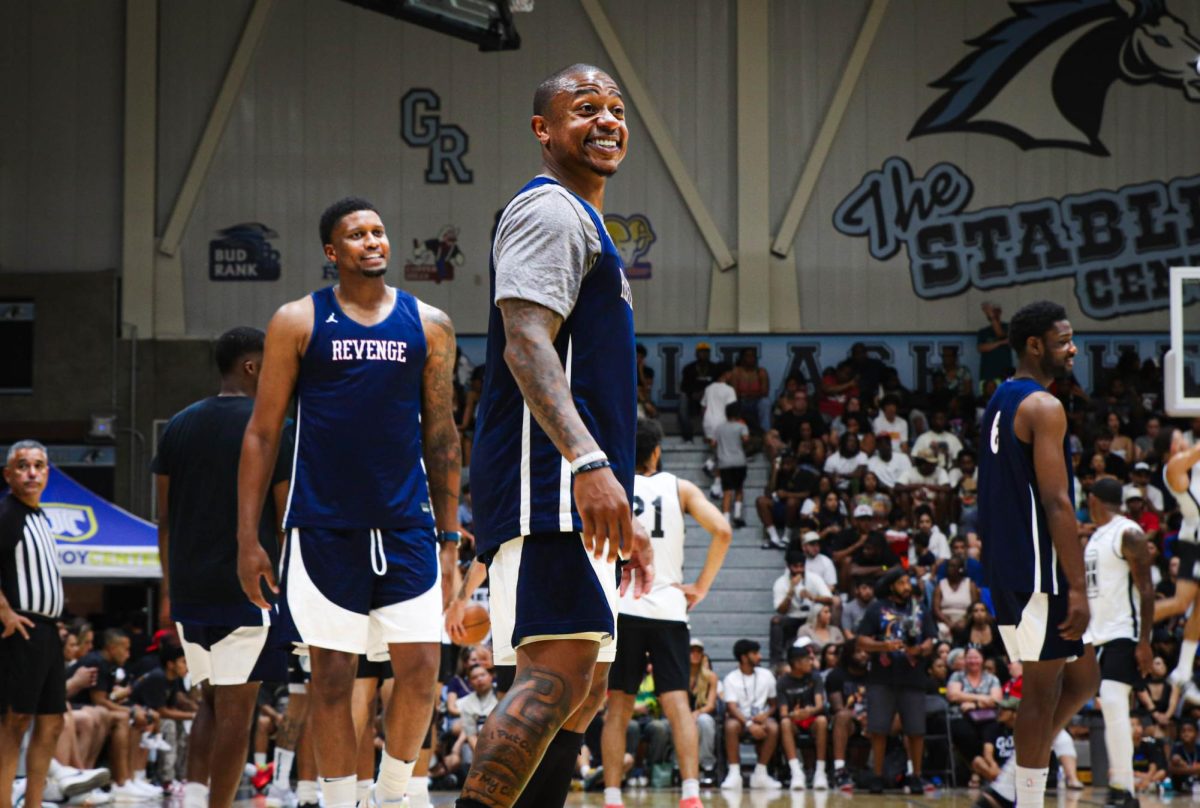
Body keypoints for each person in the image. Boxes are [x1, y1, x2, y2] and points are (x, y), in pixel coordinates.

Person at [457, 64, 653, 808]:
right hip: (550, 485)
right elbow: (526, 345)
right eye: (584, 109)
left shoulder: (585, 220)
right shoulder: (550, 212)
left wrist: (620, 503)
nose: (606, 120)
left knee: (583, 684)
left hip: (571, 489)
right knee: (557, 675)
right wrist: (589, 460)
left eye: (614, 108)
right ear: (544, 130)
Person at [237, 196, 463, 808]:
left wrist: (450, 537)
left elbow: (442, 434)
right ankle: (340, 800)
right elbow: (262, 433)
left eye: (380, 231)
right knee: (333, 679)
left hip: (407, 525)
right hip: (322, 527)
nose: (373, 242)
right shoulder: (297, 320)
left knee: (421, 672)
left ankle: (391, 794)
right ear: (332, 252)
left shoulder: (430, 323)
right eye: (358, 235)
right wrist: (249, 539)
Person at [152, 326, 293, 808]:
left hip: (189, 587)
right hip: (246, 588)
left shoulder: (178, 424)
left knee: (209, 700)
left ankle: (192, 800)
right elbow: (283, 521)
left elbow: (164, 520)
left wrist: (169, 592)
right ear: (252, 367)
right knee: (238, 710)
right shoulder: (272, 426)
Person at [976, 300, 1099, 808]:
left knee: (1085, 675)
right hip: (1035, 570)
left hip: (1010, 563)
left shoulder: (1002, 396)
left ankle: (1009, 786)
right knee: (1041, 691)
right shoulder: (1045, 407)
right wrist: (1077, 587)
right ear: (1034, 345)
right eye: (1063, 340)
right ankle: (1024, 800)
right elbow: (1055, 501)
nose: (1073, 349)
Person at [601, 419, 730, 808]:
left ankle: (611, 795)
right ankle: (691, 793)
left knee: (618, 705)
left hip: (623, 606)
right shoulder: (681, 488)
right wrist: (702, 586)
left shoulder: (612, 486)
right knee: (678, 703)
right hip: (669, 610)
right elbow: (722, 530)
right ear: (657, 451)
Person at [0, 441, 70, 808]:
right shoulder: (6, 513)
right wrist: (5, 612)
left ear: (47, 473)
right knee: (15, 721)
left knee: (52, 720)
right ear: (8, 474)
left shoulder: (39, 516)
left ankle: (35, 802)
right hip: (21, 632)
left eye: (39, 465)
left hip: (47, 631)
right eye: (23, 466)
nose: (31, 472)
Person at [1085, 478, 1155, 808]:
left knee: (1113, 703)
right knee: (1099, 707)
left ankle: (1123, 789)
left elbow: (1146, 589)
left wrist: (1145, 641)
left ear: (1094, 499)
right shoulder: (1096, 536)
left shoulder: (1129, 533)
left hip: (1122, 634)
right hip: (1092, 636)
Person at [855, 568, 937, 794]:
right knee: (879, 728)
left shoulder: (920, 608)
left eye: (907, 582)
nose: (906, 586)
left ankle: (916, 775)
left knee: (916, 730)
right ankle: (877, 775)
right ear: (891, 586)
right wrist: (883, 646)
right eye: (901, 583)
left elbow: (931, 639)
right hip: (882, 677)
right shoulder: (876, 609)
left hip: (913, 676)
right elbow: (861, 641)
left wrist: (920, 648)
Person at [1151, 426, 1200, 703]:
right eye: (1179, 436)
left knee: (1198, 609)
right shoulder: (1174, 465)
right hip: (1194, 542)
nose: (1185, 438)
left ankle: (1183, 670)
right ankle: (1133, 617)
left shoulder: (1190, 461)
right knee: (1182, 604)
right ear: (1171, 446)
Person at [721, 640, 782, 790]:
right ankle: (734, 774)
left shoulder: (767, 675)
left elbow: (774, 704)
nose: (760, 656)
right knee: (730, 725)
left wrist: (766, 714)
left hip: (761, 719)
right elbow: (731, 708)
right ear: (743, 657)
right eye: (755, 653)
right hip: (741, 721)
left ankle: (760, 774)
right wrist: (749, 724)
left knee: (773, 727)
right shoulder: (731, 678)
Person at [777, 639, 829, 790]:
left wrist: (809, 711)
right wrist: (795, 715)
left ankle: (820, 772)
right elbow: (783, 712)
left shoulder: (815, 677)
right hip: (795, 720)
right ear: (797, 663)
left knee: (822, 721)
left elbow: (819, 704)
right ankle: (796, 773)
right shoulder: (783, 682)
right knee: (785, 723)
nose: (811, 663)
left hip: (812, 718)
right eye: (808, 660)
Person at [771, 551, 835, 668]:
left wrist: (813, 597)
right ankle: (776, 663)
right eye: (795, 567)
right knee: (776, 621)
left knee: (826, 612)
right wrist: (791, 591)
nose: (799, 570)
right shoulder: (780, 583)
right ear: (789, 566)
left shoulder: (814, 578)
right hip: (793, 617)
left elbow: (830, 599)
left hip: (812, 616)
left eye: (801, 566)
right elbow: (781, 610)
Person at [713, 402, 750, 527]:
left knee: (727, 491)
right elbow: (746, 440)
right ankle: (737, 515)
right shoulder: (741, 426)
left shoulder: (719, 428)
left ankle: (725, 519)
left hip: (724, 463)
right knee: (739, 489)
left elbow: (713, 443)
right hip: (739, 461)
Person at [679, 342, 718, 443]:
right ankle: (688, 438)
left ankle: (712, 437)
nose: (704, 354)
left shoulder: (715, 368)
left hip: (710, 399)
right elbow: (684, 387)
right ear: (696, 354)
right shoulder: (689, 368)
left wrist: (705, 394)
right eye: (701, 352)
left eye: (706, 352)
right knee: (683, 399)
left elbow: (717, 385)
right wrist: (693, 394)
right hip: (693, 397)